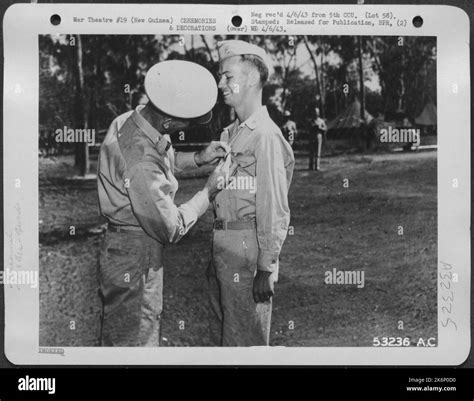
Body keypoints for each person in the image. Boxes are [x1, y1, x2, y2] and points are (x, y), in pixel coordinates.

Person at [97, 60, 230, 346]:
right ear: (168, 122)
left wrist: (197, 158)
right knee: (135, 342)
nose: (189, 128)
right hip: (137, 252)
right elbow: (171, 228)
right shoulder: (141, 162)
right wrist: (208, 191)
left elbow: (158, 163)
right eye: (187, 123)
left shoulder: (130, 121)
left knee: (127, 334)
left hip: (126, 247)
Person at [206, 40, 295, 346]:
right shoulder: (232, 133)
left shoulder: (265, 135)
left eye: (227, 76)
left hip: (248, 251)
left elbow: (273, 205)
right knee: (230, 336)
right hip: (227, 246)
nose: (221, 84)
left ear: (253, 78)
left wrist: (266, 266)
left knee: (247, 345)